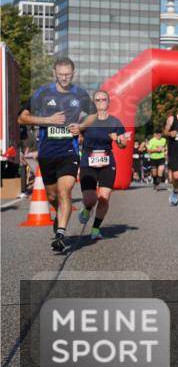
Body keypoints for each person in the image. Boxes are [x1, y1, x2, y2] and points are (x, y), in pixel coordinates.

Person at [18, 57, 95, 252]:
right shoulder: (42, 93)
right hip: (47, 153)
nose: (64, 78)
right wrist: (47, 120)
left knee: (65, 192)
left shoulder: (80, 94)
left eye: (68, 74)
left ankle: (60, 234)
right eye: (61, 75)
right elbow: (22, 118)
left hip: (69, 152)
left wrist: (81, 126)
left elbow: (93, 115)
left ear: (73, 74)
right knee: (52, 195)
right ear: (54, 73)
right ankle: (58, 214)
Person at [77, 90, 128, 239]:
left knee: (104, 197)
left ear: (108, 102)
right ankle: (87, 209)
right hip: (88, 161)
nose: (100, 102)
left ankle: (95, 229)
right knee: (90, 199)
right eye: (97, 100)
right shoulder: (86, 120)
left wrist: (117, 140)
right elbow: (77, 135)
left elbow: (124, 144)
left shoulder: (115, 122)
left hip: (107, 162)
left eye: (103, 99)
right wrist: (79, 137)